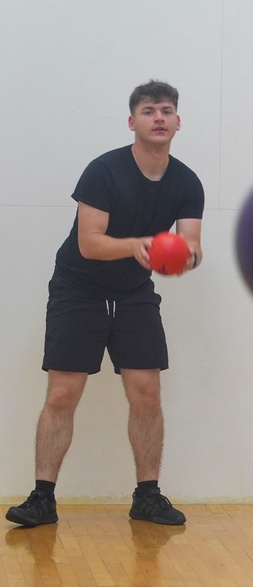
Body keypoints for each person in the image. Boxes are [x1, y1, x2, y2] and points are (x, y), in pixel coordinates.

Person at [5, 80, 204, 529]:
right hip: (79, 288)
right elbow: (90, 243)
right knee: (63, 392)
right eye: (149, 110)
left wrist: (184, 256)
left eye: (167, 110)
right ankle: (42, 498)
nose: (159, 117)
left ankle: (147, 496)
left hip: (134, 293)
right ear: (132, 121)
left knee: (147, 392)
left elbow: (191, 246)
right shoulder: (104, 171)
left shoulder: (187, 182)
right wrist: (143, 244)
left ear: (177, 122)